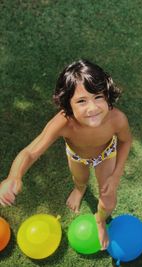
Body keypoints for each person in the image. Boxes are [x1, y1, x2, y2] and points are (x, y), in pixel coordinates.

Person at [0, 59, 132, 250]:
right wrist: (14, 176)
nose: (92, 108)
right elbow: (31, 151)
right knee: (80, 179)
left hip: (106, 154)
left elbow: (126, 141)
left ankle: (100, 220)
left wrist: (115, 176)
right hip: (77, 156)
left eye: (98, 97)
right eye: (81, 101)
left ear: (107, 94)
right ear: (68, 104)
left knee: (109, 200)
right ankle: (80, 190)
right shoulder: (63, 122)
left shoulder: (117, 119)